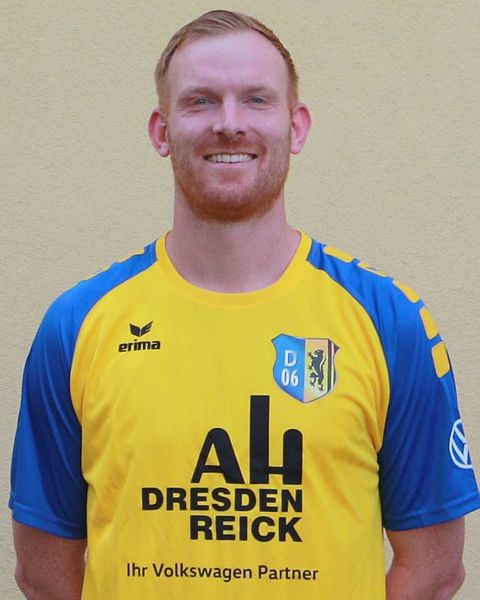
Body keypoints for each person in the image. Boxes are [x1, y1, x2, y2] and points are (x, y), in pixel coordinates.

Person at [10, 9, 480, 600]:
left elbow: (434, 571)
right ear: (161, 130)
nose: (229, 124)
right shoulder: (78, 326)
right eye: (200, 101)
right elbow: (44, 574)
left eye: (256, 100)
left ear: (296, 127)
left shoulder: (390, 323)